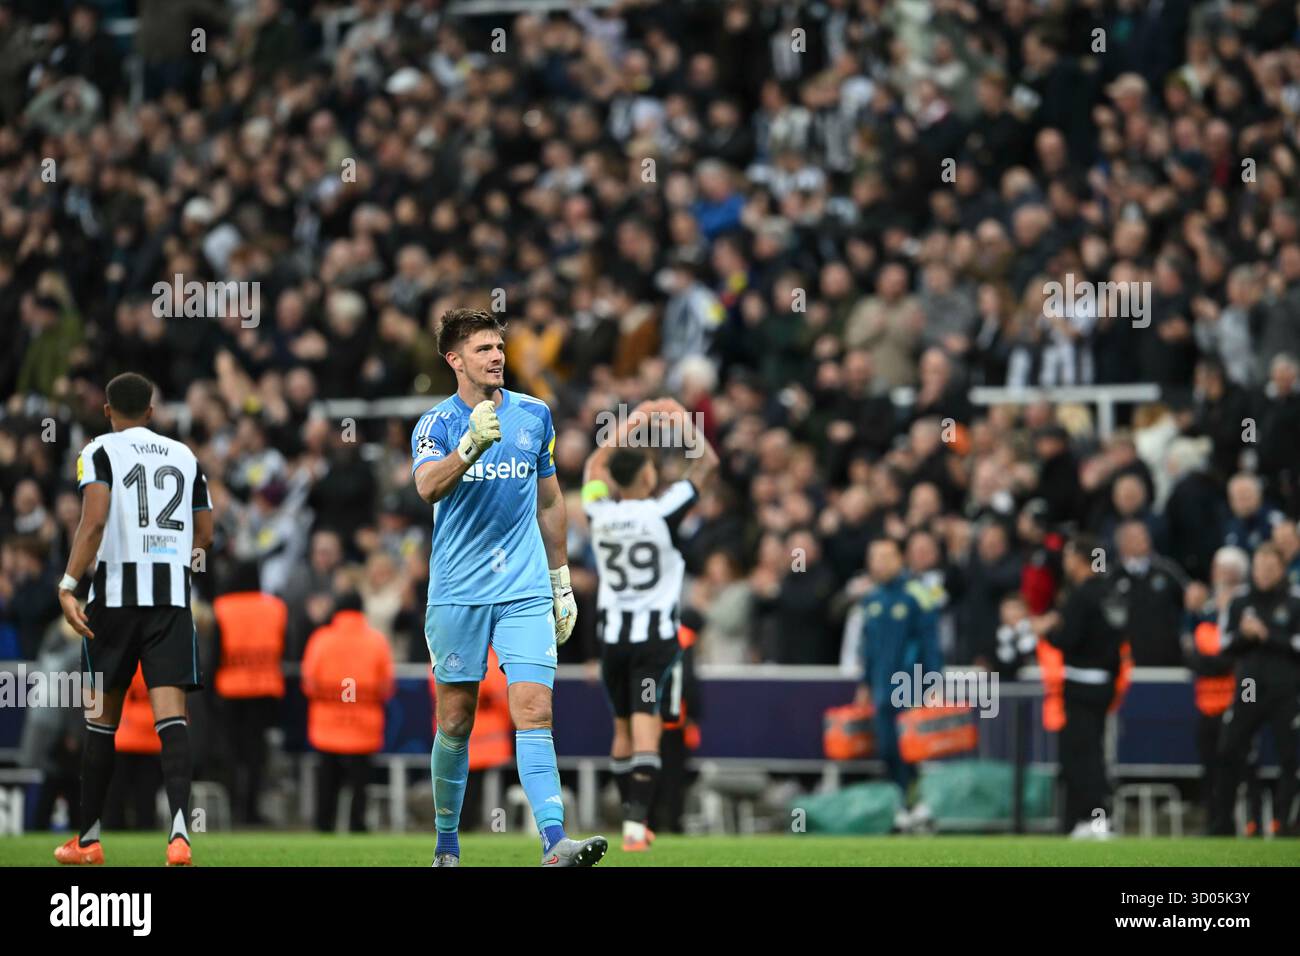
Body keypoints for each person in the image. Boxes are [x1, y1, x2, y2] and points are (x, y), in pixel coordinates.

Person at [410, 308, 605, 867]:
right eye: (482, 349)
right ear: (455, 360)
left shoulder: (534, 415)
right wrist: (468, 449)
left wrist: (560, 579)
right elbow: (427, 487)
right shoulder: (437, 424)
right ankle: (447, 846)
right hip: (457, 592)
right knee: (455, 720)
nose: (497, 356)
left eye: (499, 346)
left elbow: (548, 500)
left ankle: (553, 841)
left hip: (523, 589)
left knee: (535, 709)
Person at [53, 372, 213, 866]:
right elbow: (205, 531)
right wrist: (175, 562)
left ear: (107, 411)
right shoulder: (185, 456)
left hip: (115, 602)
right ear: (151, 411)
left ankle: (89, 840)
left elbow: (94, 520)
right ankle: (180, 835)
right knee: (172, 720)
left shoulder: (98, 450)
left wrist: (68, 583)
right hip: (169, 603)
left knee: (101, 723)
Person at [581, 397, 717, 851]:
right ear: (647, 476)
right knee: (647, 727)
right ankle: (636, 828)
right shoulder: (663, 511)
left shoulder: (600, 513)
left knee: (620, 730)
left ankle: (631, 821)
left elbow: (593, 468)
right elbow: (707, 464)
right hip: (654, 638)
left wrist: (629, 423)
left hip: (612, 639)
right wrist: (679, 420)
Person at [1033, 533, 1125, 839]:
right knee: (1093, 754)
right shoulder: (1111, 593)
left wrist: (1047, 632)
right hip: (1104, 684)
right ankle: (1089, 820)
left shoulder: (1081, 595)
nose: (1066, 563)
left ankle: (1096, 819)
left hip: (1080, 685)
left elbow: (1068, 639)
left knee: (1081, 758)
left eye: (1069, 557)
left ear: (1079, 560)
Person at [1208, 543, 1300, 836]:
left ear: (1281, 569)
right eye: (1259, 568)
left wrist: (1267, 635)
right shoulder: (1239, 600)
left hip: (1286, 690)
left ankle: (1286, 824)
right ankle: (1225, 824)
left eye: (1270, 568)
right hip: (1248, 688)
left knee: (1291, 757)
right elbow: (1223, 645)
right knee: (1229, 750)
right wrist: (1244, 636)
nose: (1264, 574)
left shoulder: (1294, 601)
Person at [854, 536, 942, 828]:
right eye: (872, 558)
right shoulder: (872, 599)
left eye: (882, 557)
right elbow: (866, 647)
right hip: (881, 688)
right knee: (887, 749)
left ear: (897, 559)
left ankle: (917, 804)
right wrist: (865, 683)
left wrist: (933, 684)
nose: (876, 564)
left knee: (912, 750)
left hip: (910, 685)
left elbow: (931, 643)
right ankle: (900, 805)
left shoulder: (918, 595)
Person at [1182, 547, 1262, 834]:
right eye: (1220, 570)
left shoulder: (1247, 608)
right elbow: (1192, 656)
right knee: (1211, 768)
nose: (1223, 577)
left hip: (1237, 704)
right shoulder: (1204, 614)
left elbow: (1237, 656)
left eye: (1230, 572)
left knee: (1243, 767)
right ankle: (1217, 823)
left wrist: (1213, 661)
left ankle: (1255, 824)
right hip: (1207, 705)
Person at [301, 592, 395, 832]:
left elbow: (308, 682)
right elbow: (387, 687)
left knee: (327, 778)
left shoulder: (321, 639)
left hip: (327, 723)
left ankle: (323, 823)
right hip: (364, 724)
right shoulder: (376, 641)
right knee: (360, 781)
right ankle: (357, 824)